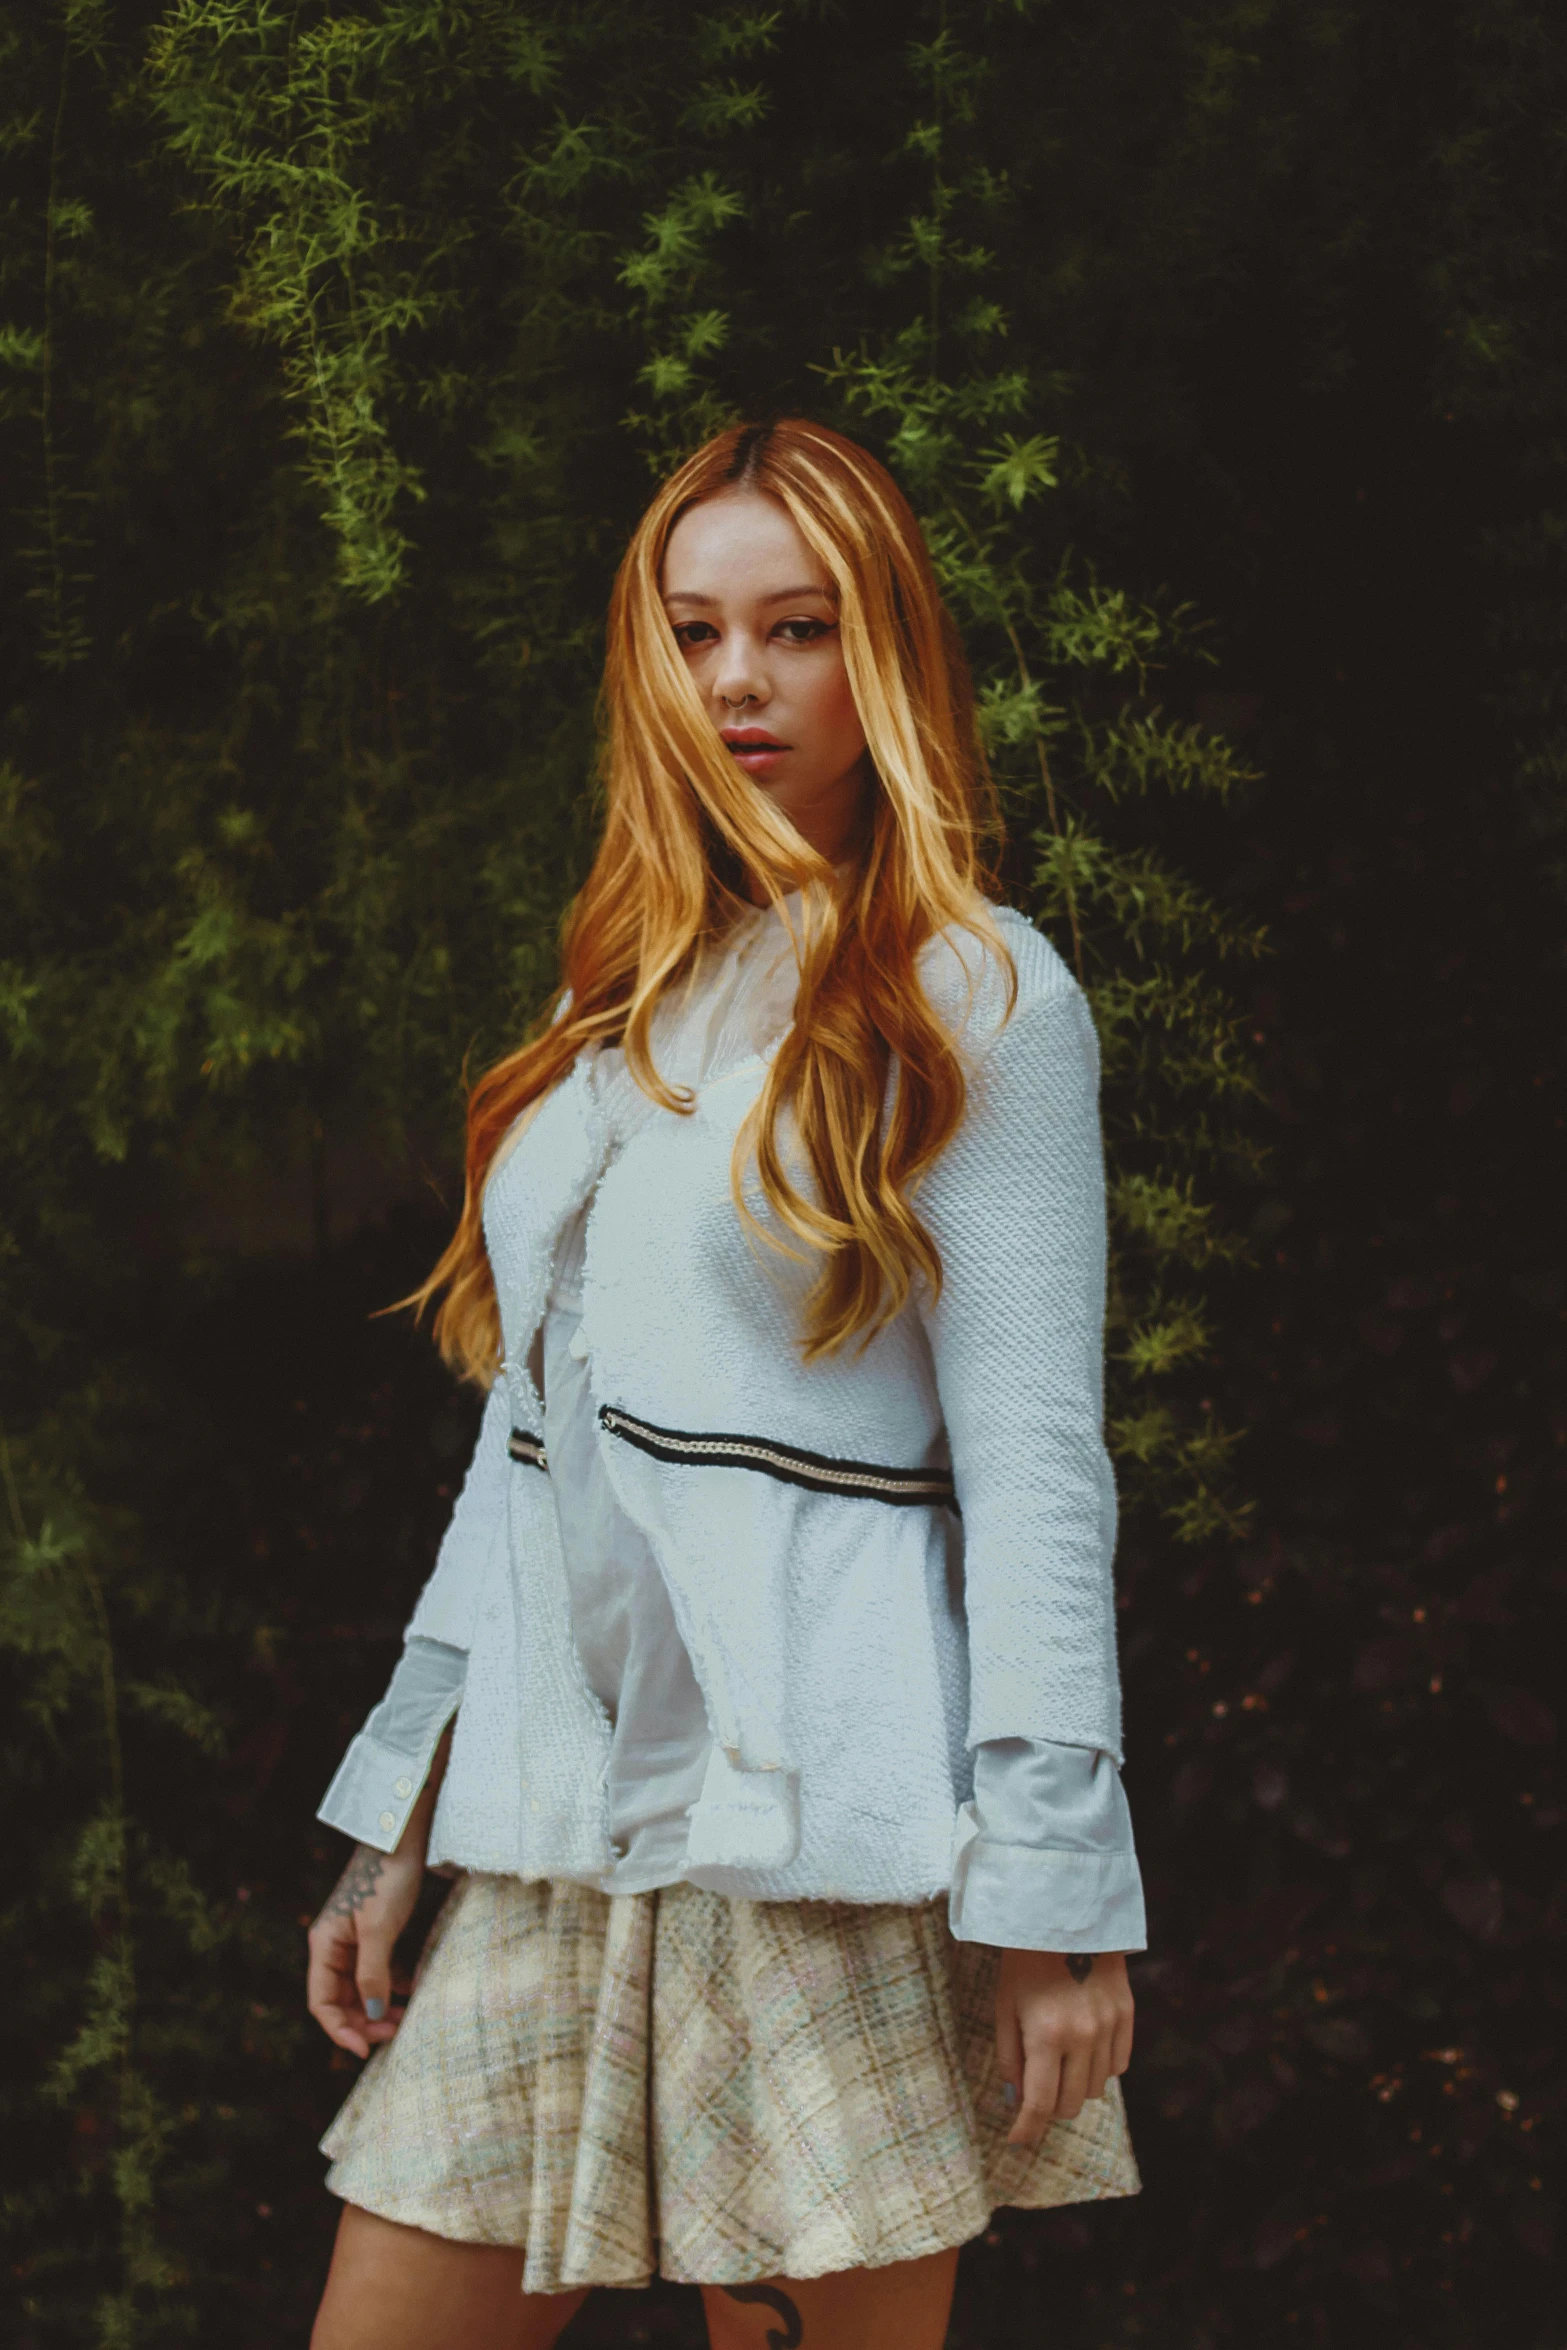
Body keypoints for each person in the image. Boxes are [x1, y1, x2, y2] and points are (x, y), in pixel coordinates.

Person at [304, 418, 1146, 2350]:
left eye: (795, 627)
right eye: (692, 631)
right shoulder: (610, 991)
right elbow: (527, 1439)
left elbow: (1034, 1474)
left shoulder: (979, 995)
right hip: (553, 1828)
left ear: (890, 656)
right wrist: (399, 1804)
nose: (738, 681)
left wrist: (1054, 1892)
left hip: (818, 1843)